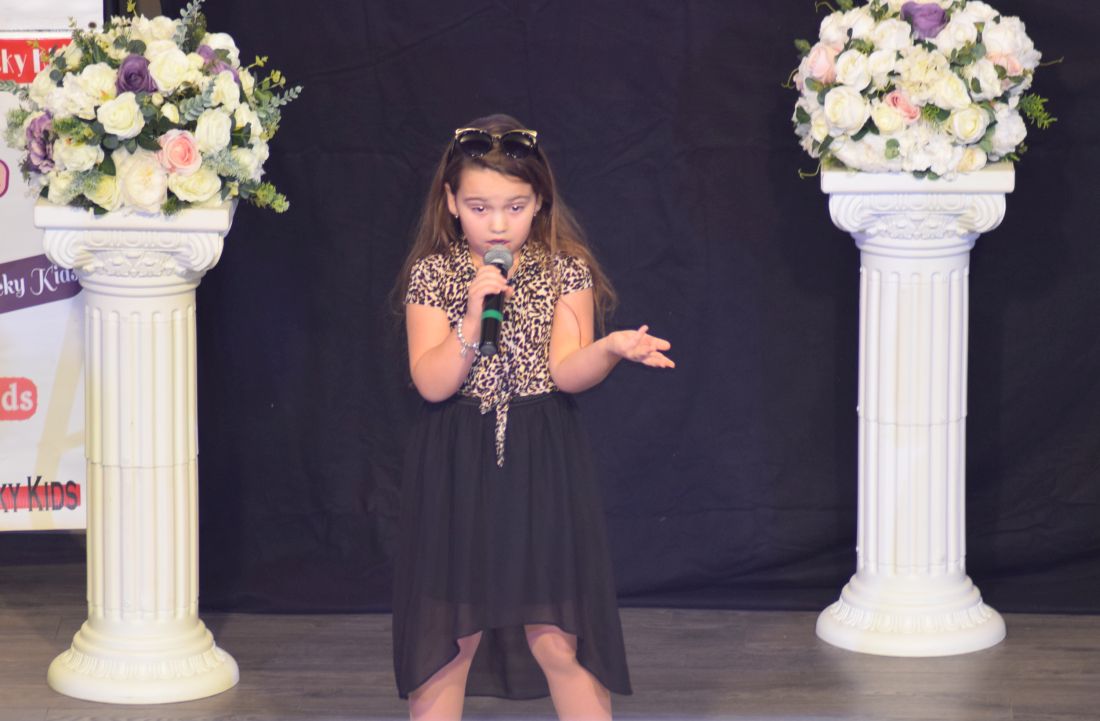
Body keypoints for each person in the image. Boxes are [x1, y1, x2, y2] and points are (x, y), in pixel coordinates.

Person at [392, 113, 673, 721]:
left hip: (541, 455)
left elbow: (566, 371)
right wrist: (473, 321)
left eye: (515, 207)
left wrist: (611, 348)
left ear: (540, 202)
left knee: (557, 636)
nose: (498, 223)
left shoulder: (564, 269)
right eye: (479, 207)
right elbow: (432, 383)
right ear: (450, 202)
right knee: (450, 637)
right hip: (456, 456)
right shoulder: (432, 274)